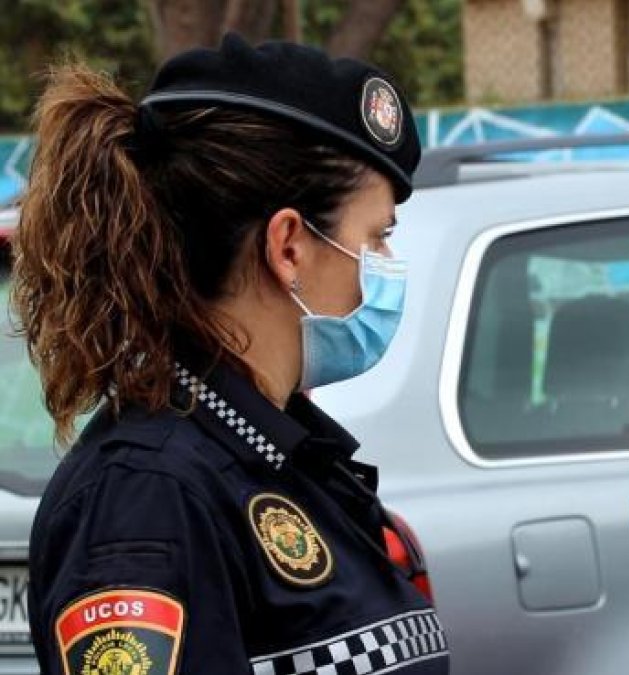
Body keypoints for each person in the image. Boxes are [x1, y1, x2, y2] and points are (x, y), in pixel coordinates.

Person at [19, 34, 448, 674]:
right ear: (289, 247)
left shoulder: (280, 458)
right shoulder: (147, 498)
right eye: (376, 238)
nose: (386, 265)